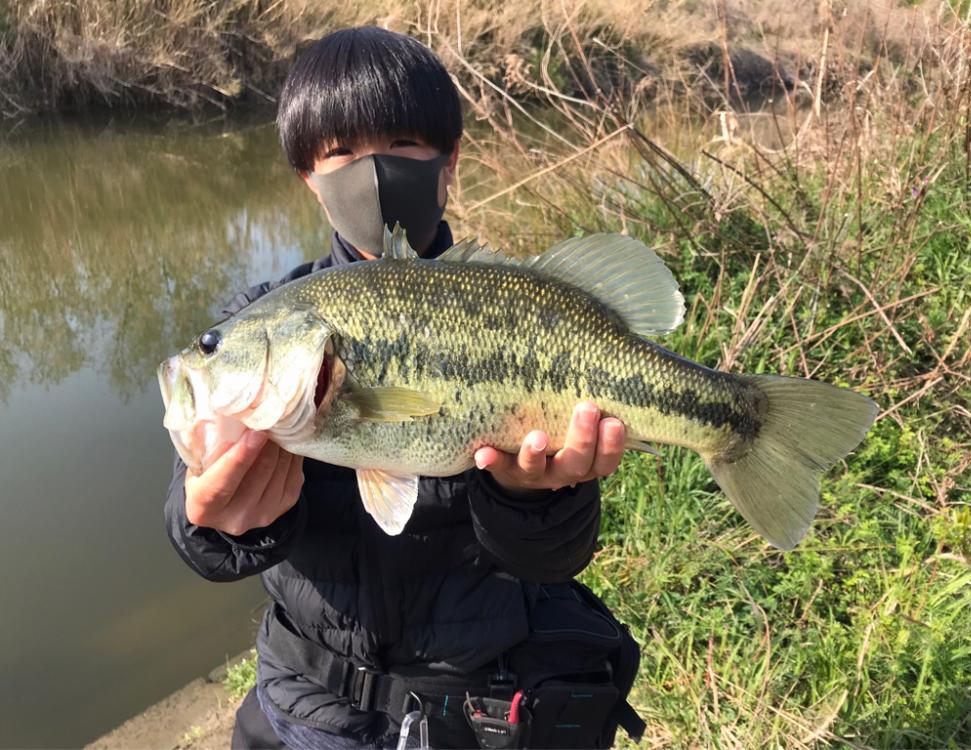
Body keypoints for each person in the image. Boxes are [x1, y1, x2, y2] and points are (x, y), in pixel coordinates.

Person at [165, 26, 644, 749]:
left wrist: (529, 496)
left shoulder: (517, 304)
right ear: (308, 178)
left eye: (403, 143)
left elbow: (553, 559)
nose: (374, 171)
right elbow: (193, 521)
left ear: (451, 160)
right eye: (341, 152)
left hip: (479, 703)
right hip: (310, 703)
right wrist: (218, 521)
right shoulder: (263, 316)